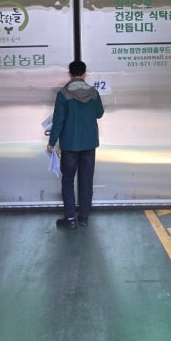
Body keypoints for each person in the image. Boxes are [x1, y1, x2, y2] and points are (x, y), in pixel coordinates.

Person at [47, 60, 104, 230]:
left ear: (70, 74)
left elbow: (58, 121)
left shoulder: (63, 93)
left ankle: (70, 219)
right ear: (84, 73)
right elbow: (99, 113)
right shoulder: (93, 92)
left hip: (70, 145)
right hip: (89, 144)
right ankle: (84, 218)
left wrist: (51, 142)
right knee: (86, 181)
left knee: (67, 181)